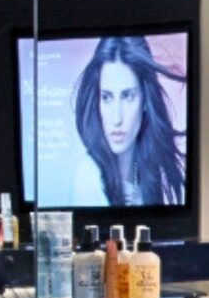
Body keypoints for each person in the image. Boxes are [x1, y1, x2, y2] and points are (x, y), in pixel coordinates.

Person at [74, 36, 186, 206]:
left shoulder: (147, 173)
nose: (117, 118)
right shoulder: (88, 176)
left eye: (127, 96)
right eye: (106, 97)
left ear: (145, 101)